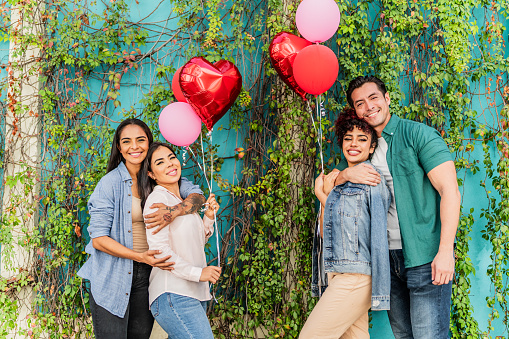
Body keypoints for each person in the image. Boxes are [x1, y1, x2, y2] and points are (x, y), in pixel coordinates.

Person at [334, 76, 461, 339]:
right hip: (385, 260)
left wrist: (446, 251)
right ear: (355, 110)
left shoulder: (418, 134)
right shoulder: (363, 148)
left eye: (373, 98)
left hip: (425, 257)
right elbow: (335, 185)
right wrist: (345, 175)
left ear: (387, 98)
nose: (368, 107)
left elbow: (449, 191)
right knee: (403, 336)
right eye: (360, 103)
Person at [77, 118, 206, 339]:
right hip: (112, 273)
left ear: (149, 142)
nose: (134, 147)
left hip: (148, 273)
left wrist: (173, 211)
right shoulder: (109, 184)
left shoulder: (159, 177)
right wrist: (139, 256)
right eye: (126, 141)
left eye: (141, 140)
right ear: (119, 147)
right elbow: (98, 239)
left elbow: (198, 197)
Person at [300, 109, 391, 338]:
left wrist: (323, 196)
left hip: (357, 276)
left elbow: (379, 234)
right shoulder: (338, 182)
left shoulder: (372, 181)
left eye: (362, 139)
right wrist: (325, 198)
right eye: (348, 138)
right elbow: (324, 233)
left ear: (372, 147)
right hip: (337, 272)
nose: (354, 144)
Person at [139, 142, 221, 339]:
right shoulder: (157, 202)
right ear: (151, 174)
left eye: (171, 157)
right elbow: (160, 253)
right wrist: (198, 272)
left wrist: (208, 217)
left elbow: (193, 243)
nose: (169, 164)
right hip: (173, 294)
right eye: (160, 162)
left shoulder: (182, 201)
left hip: (193, 292)